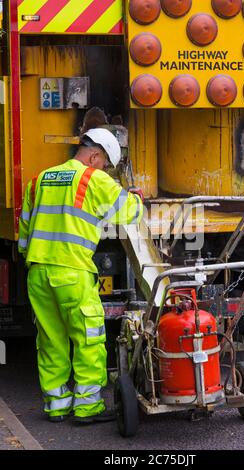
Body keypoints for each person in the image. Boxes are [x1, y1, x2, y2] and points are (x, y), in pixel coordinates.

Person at [18, 128, 143, 424]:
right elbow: (130, 213)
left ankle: (57, 406)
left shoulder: (39, 180)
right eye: (105, 164)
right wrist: (135, 198)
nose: (104, 170)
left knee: (51, 341)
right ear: (95, 155)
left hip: (37, 273)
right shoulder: (93, 178)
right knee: (88, 338)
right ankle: (87, 408)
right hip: (72, 273)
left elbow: (24, 235)